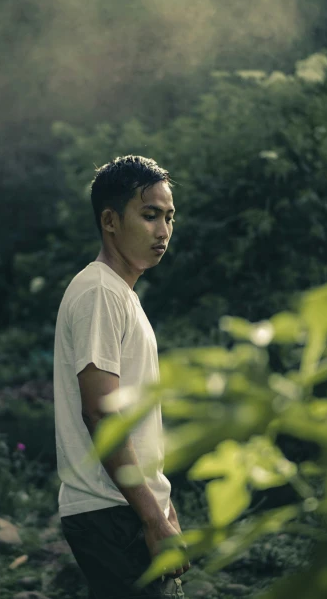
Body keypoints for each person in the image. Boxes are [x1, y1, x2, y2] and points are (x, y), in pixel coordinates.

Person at [53, 155, 190, 599]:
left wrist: (162, 508)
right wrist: (152, 518)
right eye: (149, 215)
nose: (163, 231)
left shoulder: (121, 295)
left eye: (168, 217)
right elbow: (99, 412)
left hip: (127, 507)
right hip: (111, 511)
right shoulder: (99, 293)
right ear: (110, 221)